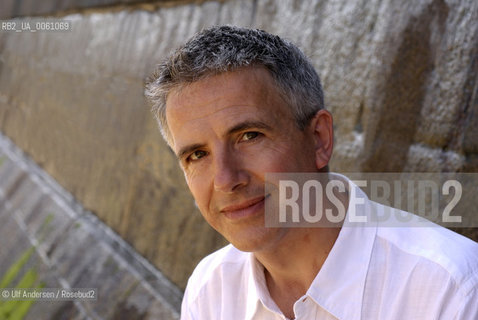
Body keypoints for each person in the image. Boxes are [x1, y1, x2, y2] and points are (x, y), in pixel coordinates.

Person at [146, 25, 478, 320]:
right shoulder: (210, 290)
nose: (226, 179)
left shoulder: (451, 291)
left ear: (319, 138)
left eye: (249, 136)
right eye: (197, 155)